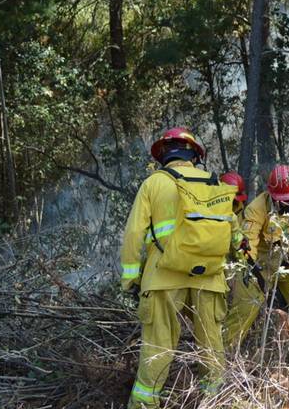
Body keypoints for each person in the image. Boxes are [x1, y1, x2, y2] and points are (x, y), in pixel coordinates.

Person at [120, 127, 242, 408]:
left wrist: (130, 278)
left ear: (163, 154)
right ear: (196, 155)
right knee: (211, 351)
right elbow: (233, 233)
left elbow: (132, 235)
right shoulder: (214, 182)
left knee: (157, 351)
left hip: (162, 279)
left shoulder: (153, 183)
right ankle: (215, 402)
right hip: (209, 278)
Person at [223, 164, 289, 349]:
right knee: (247, 306)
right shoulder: (257, 208)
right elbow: (247, 242)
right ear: (270, 195)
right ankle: (225, 354)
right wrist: (253, 272)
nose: (285, 205)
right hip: (262, 265)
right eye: (280, 202)